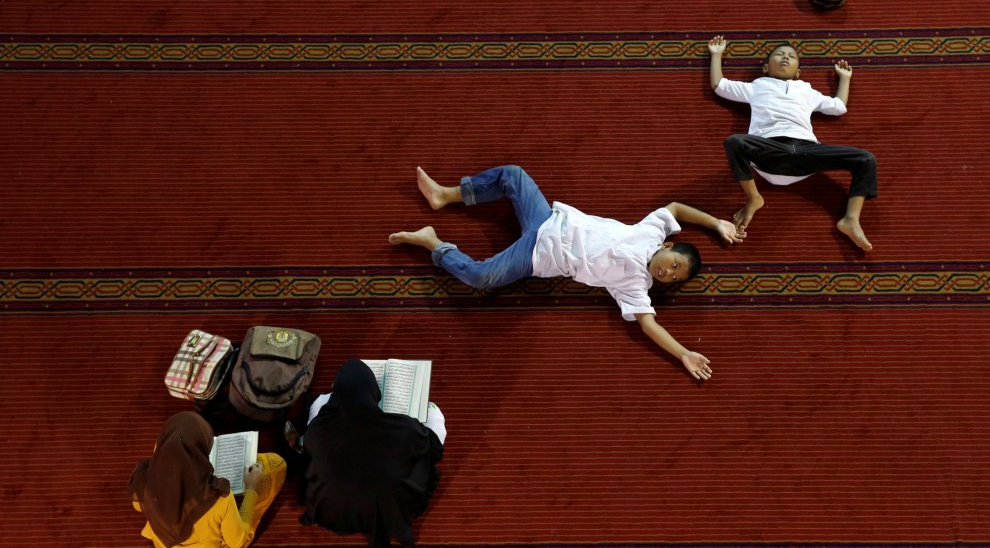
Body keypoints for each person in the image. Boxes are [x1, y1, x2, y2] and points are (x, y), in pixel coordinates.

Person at [389, 165, 745, 381]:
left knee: (481, 278)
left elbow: (650, 325)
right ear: (669, 248)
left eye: (674, 279)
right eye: (675, 265)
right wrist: (715, 223)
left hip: (538, 255)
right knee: (513, 174)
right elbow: (677, 208)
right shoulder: (651, 231)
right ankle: (445, 196)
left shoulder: (637, 286)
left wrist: (683, 353)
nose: (668, 274)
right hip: (547, 218)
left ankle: (434, 244)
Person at [708, 35, 878, 251]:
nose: (785, 58)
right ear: (765, 68)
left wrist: (844, 78)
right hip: (769, 152)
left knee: (865, 159)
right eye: (779, 55)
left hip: (807, 152)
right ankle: (753, 198)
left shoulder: (807, 90)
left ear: (798, 72)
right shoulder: (756, 86)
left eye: (791, 56)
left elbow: (838, 106)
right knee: (735, 142)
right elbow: (719, 85)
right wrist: (716, 55)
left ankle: (851, 219)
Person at [299, 358, 445, 548]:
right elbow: (435, 445)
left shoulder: (317, 429)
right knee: (421, 456)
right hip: (390, 511)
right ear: (375, 393)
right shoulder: (403, 428)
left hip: (330, 511)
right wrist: (431, 409)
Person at [129, 412, 286, 548]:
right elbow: (236, 542)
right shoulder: (218, 497)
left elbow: (139, 506)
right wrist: (251, 489)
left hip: (165, 542)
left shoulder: (141, 479)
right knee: (274, 464)